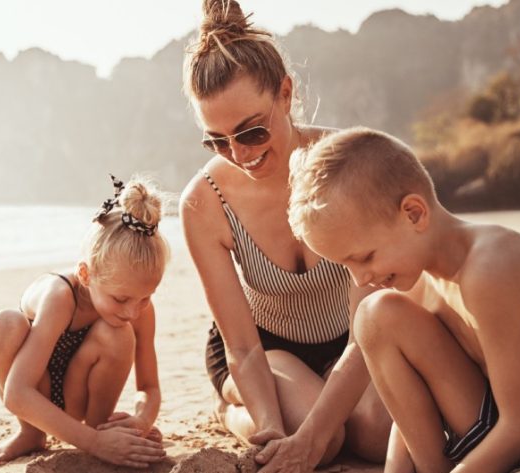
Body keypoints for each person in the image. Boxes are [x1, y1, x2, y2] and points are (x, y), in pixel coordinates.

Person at [288, 126, 520, 473]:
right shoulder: (420, 283)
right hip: (496, 428)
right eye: (345, 266)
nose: (360, 278)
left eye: (364, 257)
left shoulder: (490, 269)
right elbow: (404, 422)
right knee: (374, 315)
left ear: (414, 214)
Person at [179, 1, 392, 470]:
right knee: (325, 439)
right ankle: (229, 408)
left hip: (351, 337)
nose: (238, 154)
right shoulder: (204, 201)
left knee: (377, 435)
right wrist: (267, 427)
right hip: (262, 348)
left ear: (285, 93)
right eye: (216, 140)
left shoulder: (347, 163)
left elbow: (365, 331)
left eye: (251, 132)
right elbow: (241, 346)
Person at [0, 175, 169, 469]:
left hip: (81, 397)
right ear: (86, 275)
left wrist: (140, 421)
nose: (133, 311)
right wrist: (94, 445)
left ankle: (100, 428)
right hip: (35, 394)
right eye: (120, 299)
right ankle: (31, 434)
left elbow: (149, 387)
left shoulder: (138, 309)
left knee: (119, 333)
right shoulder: (59, 296)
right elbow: (17, 393)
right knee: (6, 323)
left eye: (145, 297)